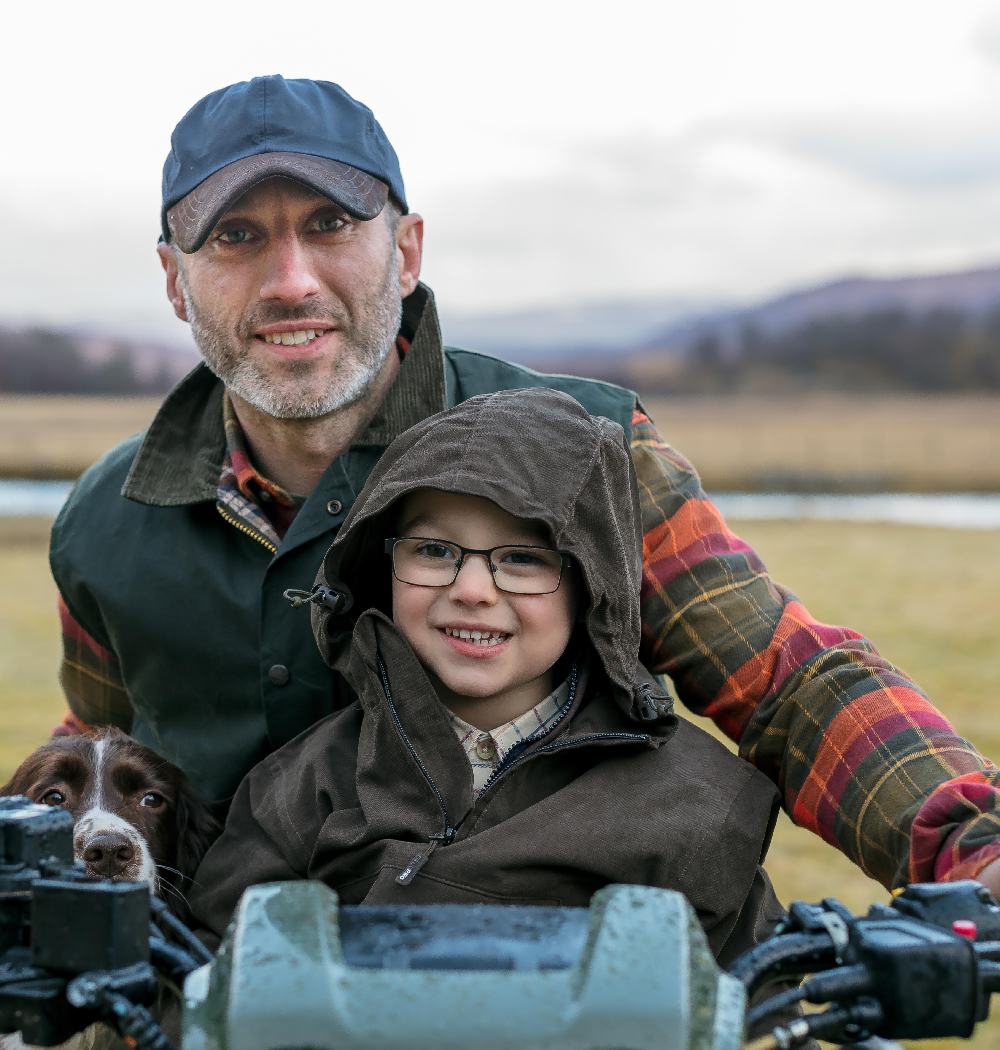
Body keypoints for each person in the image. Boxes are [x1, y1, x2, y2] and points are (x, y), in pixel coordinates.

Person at [48, 74, 1000, 902]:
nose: (290, 279)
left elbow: (785, 679)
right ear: (175, 281)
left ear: (407, 249)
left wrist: (974, 851)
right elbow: (103, 736)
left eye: (331, 225)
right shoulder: (102, 522)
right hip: (215, 1013)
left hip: (561, 998)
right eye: (236, 237)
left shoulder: (587, 450)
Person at [118, 388, 825, 1050]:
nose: (474, 591)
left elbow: (760, 996)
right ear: (385, 564)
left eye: (523, 559)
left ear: (591, 580)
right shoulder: (305, 781)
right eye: (435, 552)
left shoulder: (692, 798)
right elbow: (202, 965)